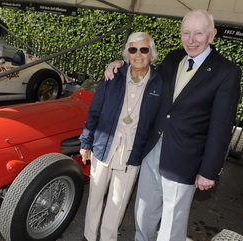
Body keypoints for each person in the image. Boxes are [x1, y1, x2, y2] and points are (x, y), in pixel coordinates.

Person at [104, 9, 241, 241]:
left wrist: (208, 170)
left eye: (198, 33)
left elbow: (221, 126)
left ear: (212, 35)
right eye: (186, 33)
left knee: (172, 220)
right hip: (153, 148)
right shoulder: (173, 57)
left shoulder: (227, 72)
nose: (191, 40)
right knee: (144, 209)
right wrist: (122, 64)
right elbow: (147, 76)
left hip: (185, 158)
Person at [79, 32, 162, 241]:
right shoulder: (112, 75)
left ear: (151, 54)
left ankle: (108, 239)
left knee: (118, 202)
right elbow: (94, 111)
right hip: (103, 147)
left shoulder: (160, 83)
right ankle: (89, 237)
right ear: (127, 54)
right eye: (133, 49)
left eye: (144, 49)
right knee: (95, 198)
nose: (138, 54)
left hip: (131, 154)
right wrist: (86, 142)